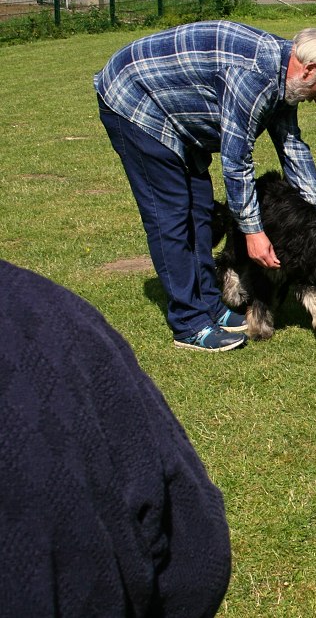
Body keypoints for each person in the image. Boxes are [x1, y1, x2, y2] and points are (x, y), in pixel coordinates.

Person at [95, 21, 316, 352]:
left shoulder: (286, 78)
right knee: (171, 217)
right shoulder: (253, 78)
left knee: (198, 211)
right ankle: (189, 324)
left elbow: (291, 145)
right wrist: (253, 234)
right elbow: (237, 163)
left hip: (181, 117)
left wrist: (313, 216)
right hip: (137, 102)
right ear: (310, 69)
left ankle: (210, 306)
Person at [0, 259, 231, 617]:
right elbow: (194, 559)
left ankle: (210, 307)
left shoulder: (50, 319)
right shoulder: (51, 325)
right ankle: (191, 322)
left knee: (196, 220)